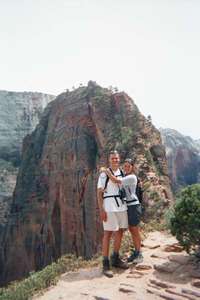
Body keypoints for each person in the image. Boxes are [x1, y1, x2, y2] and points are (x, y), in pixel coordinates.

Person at [101, 158, 143, 264]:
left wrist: (107, 172)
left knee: (134, 230)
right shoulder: (126, 176)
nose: (126, 167)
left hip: (133, 206)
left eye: (128, 166)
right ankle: (136, 252)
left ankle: (139, 253)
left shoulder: (132, 177)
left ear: (132, 167)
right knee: (132, 230)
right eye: (125, 166)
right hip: (127, 207)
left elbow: (116, 180)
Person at [97, 150, 129, 277]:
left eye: (116, 158)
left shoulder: (122, 173)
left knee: (120, 231)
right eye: (112, 158)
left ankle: (115, 258)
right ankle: (105, 263)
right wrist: (101, 210)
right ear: (109, 160)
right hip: (109, 206)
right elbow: (99, 193)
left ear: (119, 159)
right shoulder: (103, 175)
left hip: (121, 206)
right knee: (108, 234)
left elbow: (120, 183)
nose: (115, 160)